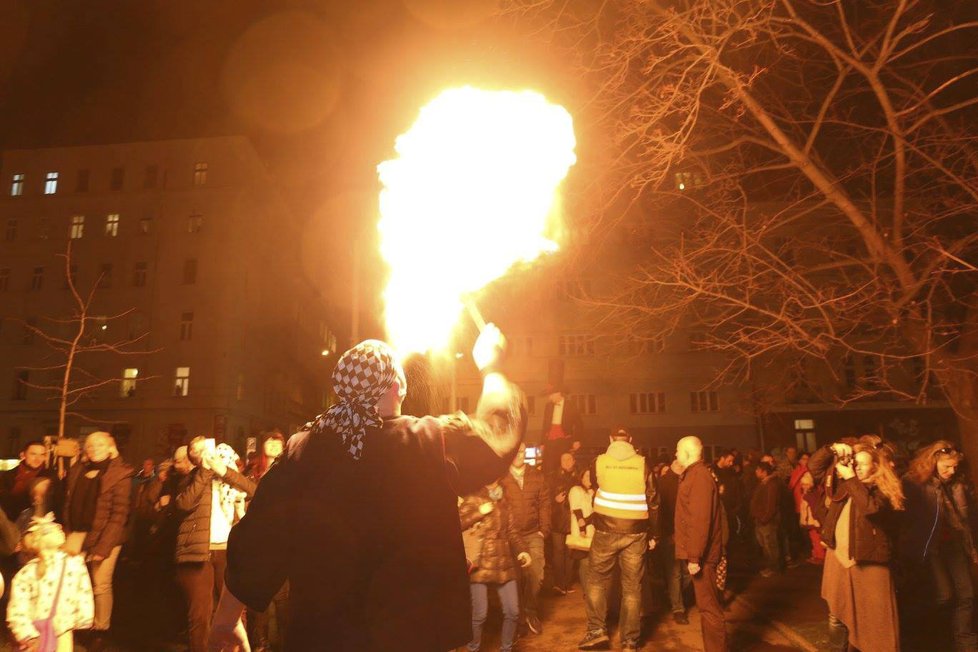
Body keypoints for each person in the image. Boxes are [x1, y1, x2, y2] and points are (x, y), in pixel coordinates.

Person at [210, 325, 524, 652]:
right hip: (410, 639)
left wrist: (226, 620)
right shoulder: (431, 442)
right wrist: (492, 367)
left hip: (322, 639)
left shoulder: (302, 451)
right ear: (398, 386)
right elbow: (498, 433)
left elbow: (258, 539)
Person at [809, 442, 904, 652]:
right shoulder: (846, 485)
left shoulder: (884, 488)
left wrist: (851, 478)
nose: (856, 467)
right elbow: (814, 468)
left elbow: (871, 509)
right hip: (840, 558)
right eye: (855, 463)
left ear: (875, 466)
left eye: (862, 464)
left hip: (868, 561)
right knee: (838, 613)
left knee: (875, 620)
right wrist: (831, 450)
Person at [578, 428, 658, 652]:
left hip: (606, 529)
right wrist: (655, 533)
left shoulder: (598, 461)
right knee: (632, 587)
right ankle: (630, 642)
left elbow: (594, 485)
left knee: (596, 580)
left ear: (610, 439)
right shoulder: (643, 463)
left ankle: (596, 631)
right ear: (631, 440)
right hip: (636, 531)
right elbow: (653, 500)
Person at [173, 437, 256, 652]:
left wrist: (224, 471)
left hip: (227, 551)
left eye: (211, 449)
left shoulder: (229, 477)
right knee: (200, 614)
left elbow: (253, 490)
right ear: (193, 457)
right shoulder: (190, 478)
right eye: (200, 450)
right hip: (197, 552)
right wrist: (206, 472)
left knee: (234, 612)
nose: (208, 454)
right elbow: (184, 504)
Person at [901, 441, 978, 651]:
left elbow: (966, 520)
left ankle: (966, 642)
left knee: (967, 595)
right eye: (946, 467)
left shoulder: (958, 483)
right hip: (930, 547)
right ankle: (934, 638)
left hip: (954, 544)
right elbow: (908, 519)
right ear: (933, 463)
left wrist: (972, 548)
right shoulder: (915, 482)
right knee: (943, 595)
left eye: (954, 466)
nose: (951, 471)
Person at [62, 431, 133, 649]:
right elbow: (67, 503)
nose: (94, 449)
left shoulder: (121, 474)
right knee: (75, 581)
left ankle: (101, 628)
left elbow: (119, 515)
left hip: (106, 537)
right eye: (90, 445)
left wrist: (103, 547)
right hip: (77, 534)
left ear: (111, 447)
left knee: (100, 584)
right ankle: (79, 622)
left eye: (100, 444)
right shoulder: (78, 470)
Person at [459, 481, 532, 652]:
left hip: (503, 561)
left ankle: (506, 648)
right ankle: (472, 648)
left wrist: (523, 551)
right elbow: (456, 523)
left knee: (513, 612)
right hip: (480, 561)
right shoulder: (473, 498)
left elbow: (513, 531)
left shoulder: (505, 500)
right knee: (479, 614)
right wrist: (479, 512)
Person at [7, 514, 93, 652]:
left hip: (64, 629)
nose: (59, 528)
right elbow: (18, 607)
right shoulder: (27, 573)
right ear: (40, 541)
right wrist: (27, 634)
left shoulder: (74, 562)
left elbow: (83, 590)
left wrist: (84, 615)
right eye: (51, 529)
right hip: (36, 634)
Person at [675, 436, 728, 652]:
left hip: (704, 556)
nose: (675, 455)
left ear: (688, 452)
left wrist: (694, 556)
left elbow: (699, 519)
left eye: (678, 450)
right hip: (703, 554)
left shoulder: (699, 477)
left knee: (709, 609)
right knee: (707, 607)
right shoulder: (696, 475)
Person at [500, 442, 550, 635]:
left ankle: (530, 611)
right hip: (511, 536)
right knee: (516, 578)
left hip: (533, 533)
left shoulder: (537, 475)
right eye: (516, 452)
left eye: (522, 451)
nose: (519, 455)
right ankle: (518, 617)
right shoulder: (502, 478)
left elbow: (545, 504)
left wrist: (544, 530)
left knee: (536, 574)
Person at [246, 430, 289, 652]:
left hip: (281, 545)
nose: (273, 444)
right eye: (269, 440)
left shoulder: (289, 473)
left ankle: (284, 643)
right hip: (258, 545)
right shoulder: (253, 473)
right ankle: (259, 644)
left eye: (278, 440)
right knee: (258, 600)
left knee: (282, 601)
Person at [657, 456, 691, 624]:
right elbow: (662, 511)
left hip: (684, 534)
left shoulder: (683, 480)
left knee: (685, 572)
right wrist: (668, 533)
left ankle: (674, 597)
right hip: (670, 534)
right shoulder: (663, 483)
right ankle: (678, 607)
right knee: (676, 572)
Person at [0, 441, 58, 522]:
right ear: (23, 455)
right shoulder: (8, 475)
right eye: (33, 454)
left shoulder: (50, 476)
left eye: (42, 455)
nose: (38, 459)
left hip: (39, 524)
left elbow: (58, 502)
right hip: (10, 523)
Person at [550, 452, 579, 595]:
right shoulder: (553, 478)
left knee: (570, 554)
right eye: (563, 459)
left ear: (574, 461)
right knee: (558, 554)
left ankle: (567, 583)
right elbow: (544, 499)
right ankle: (559, 583)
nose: (566, 461)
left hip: (573, 521)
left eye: (569, 459)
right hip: (557, 520)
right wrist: (554, 500)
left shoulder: (578, 477)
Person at [541, 385, 583, 476]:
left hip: (564, 440)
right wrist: (542, 442)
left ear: (558, 393)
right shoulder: (548, 406)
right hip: (550, 441)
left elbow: (579, 423)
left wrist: (577, 440)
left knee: (563, 465)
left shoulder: (571, 405)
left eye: (551, 395)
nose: (550, 397)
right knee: (548, 466)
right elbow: (545, 425)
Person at [750, 461, 783, 577]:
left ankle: (774, 568)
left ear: (764, 472)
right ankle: (771, 567)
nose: (756, 472)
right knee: (765, 545)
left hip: (767, 521)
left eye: (758, 470)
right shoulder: (764, 483)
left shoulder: (770, 485)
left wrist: (765, 518)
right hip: (761, 519)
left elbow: (771, 504)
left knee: (770, 545)